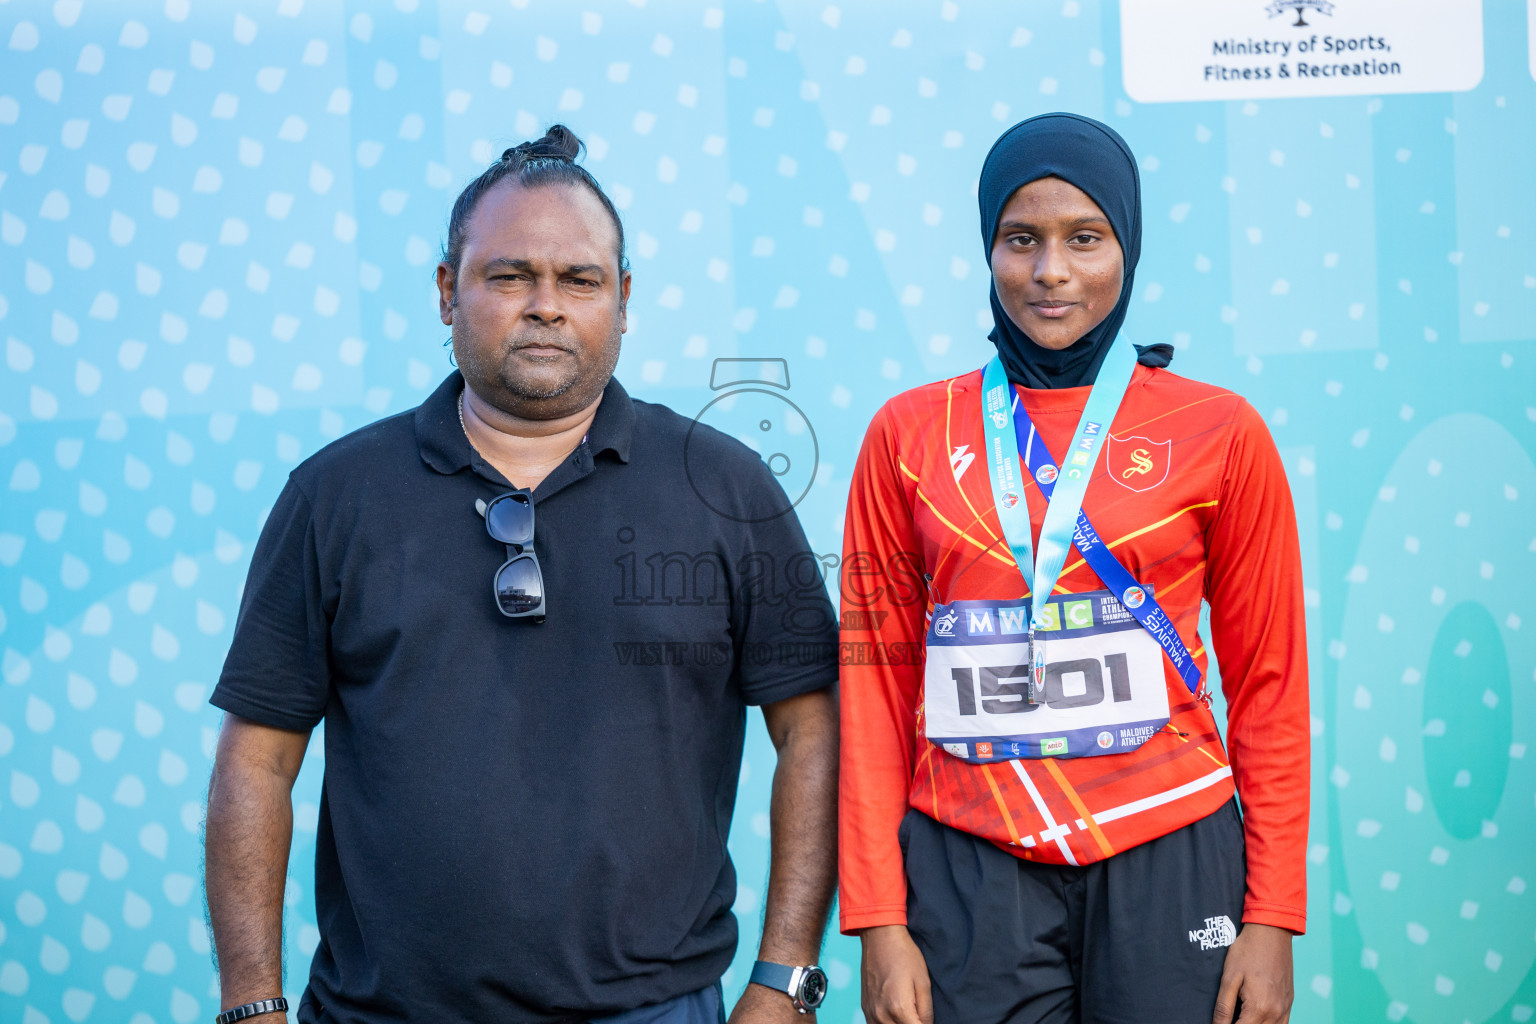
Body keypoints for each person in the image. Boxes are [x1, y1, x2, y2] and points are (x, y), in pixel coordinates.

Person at [204, 126, 839, 1024]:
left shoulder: (724, 488)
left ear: (623, 300)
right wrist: (249, 1003)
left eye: (578, 280)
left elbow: (814, 729)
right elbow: (258, 758)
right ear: (445, 292)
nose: (545, 304)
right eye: (509, 276)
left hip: (654, 1011)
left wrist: (786, 982)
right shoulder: (334, 494)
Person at [837, 113, 1309, 1024]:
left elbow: (1270, 684)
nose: (1051, 271)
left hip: (1170, 841)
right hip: (968, 851)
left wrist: (1274, 915)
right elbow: (874, 688)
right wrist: (878, 919)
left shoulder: (1221, 432)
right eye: (1023, 239)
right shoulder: (907, 435)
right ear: (989, 250)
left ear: (1126, 249)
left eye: (1084, 239)